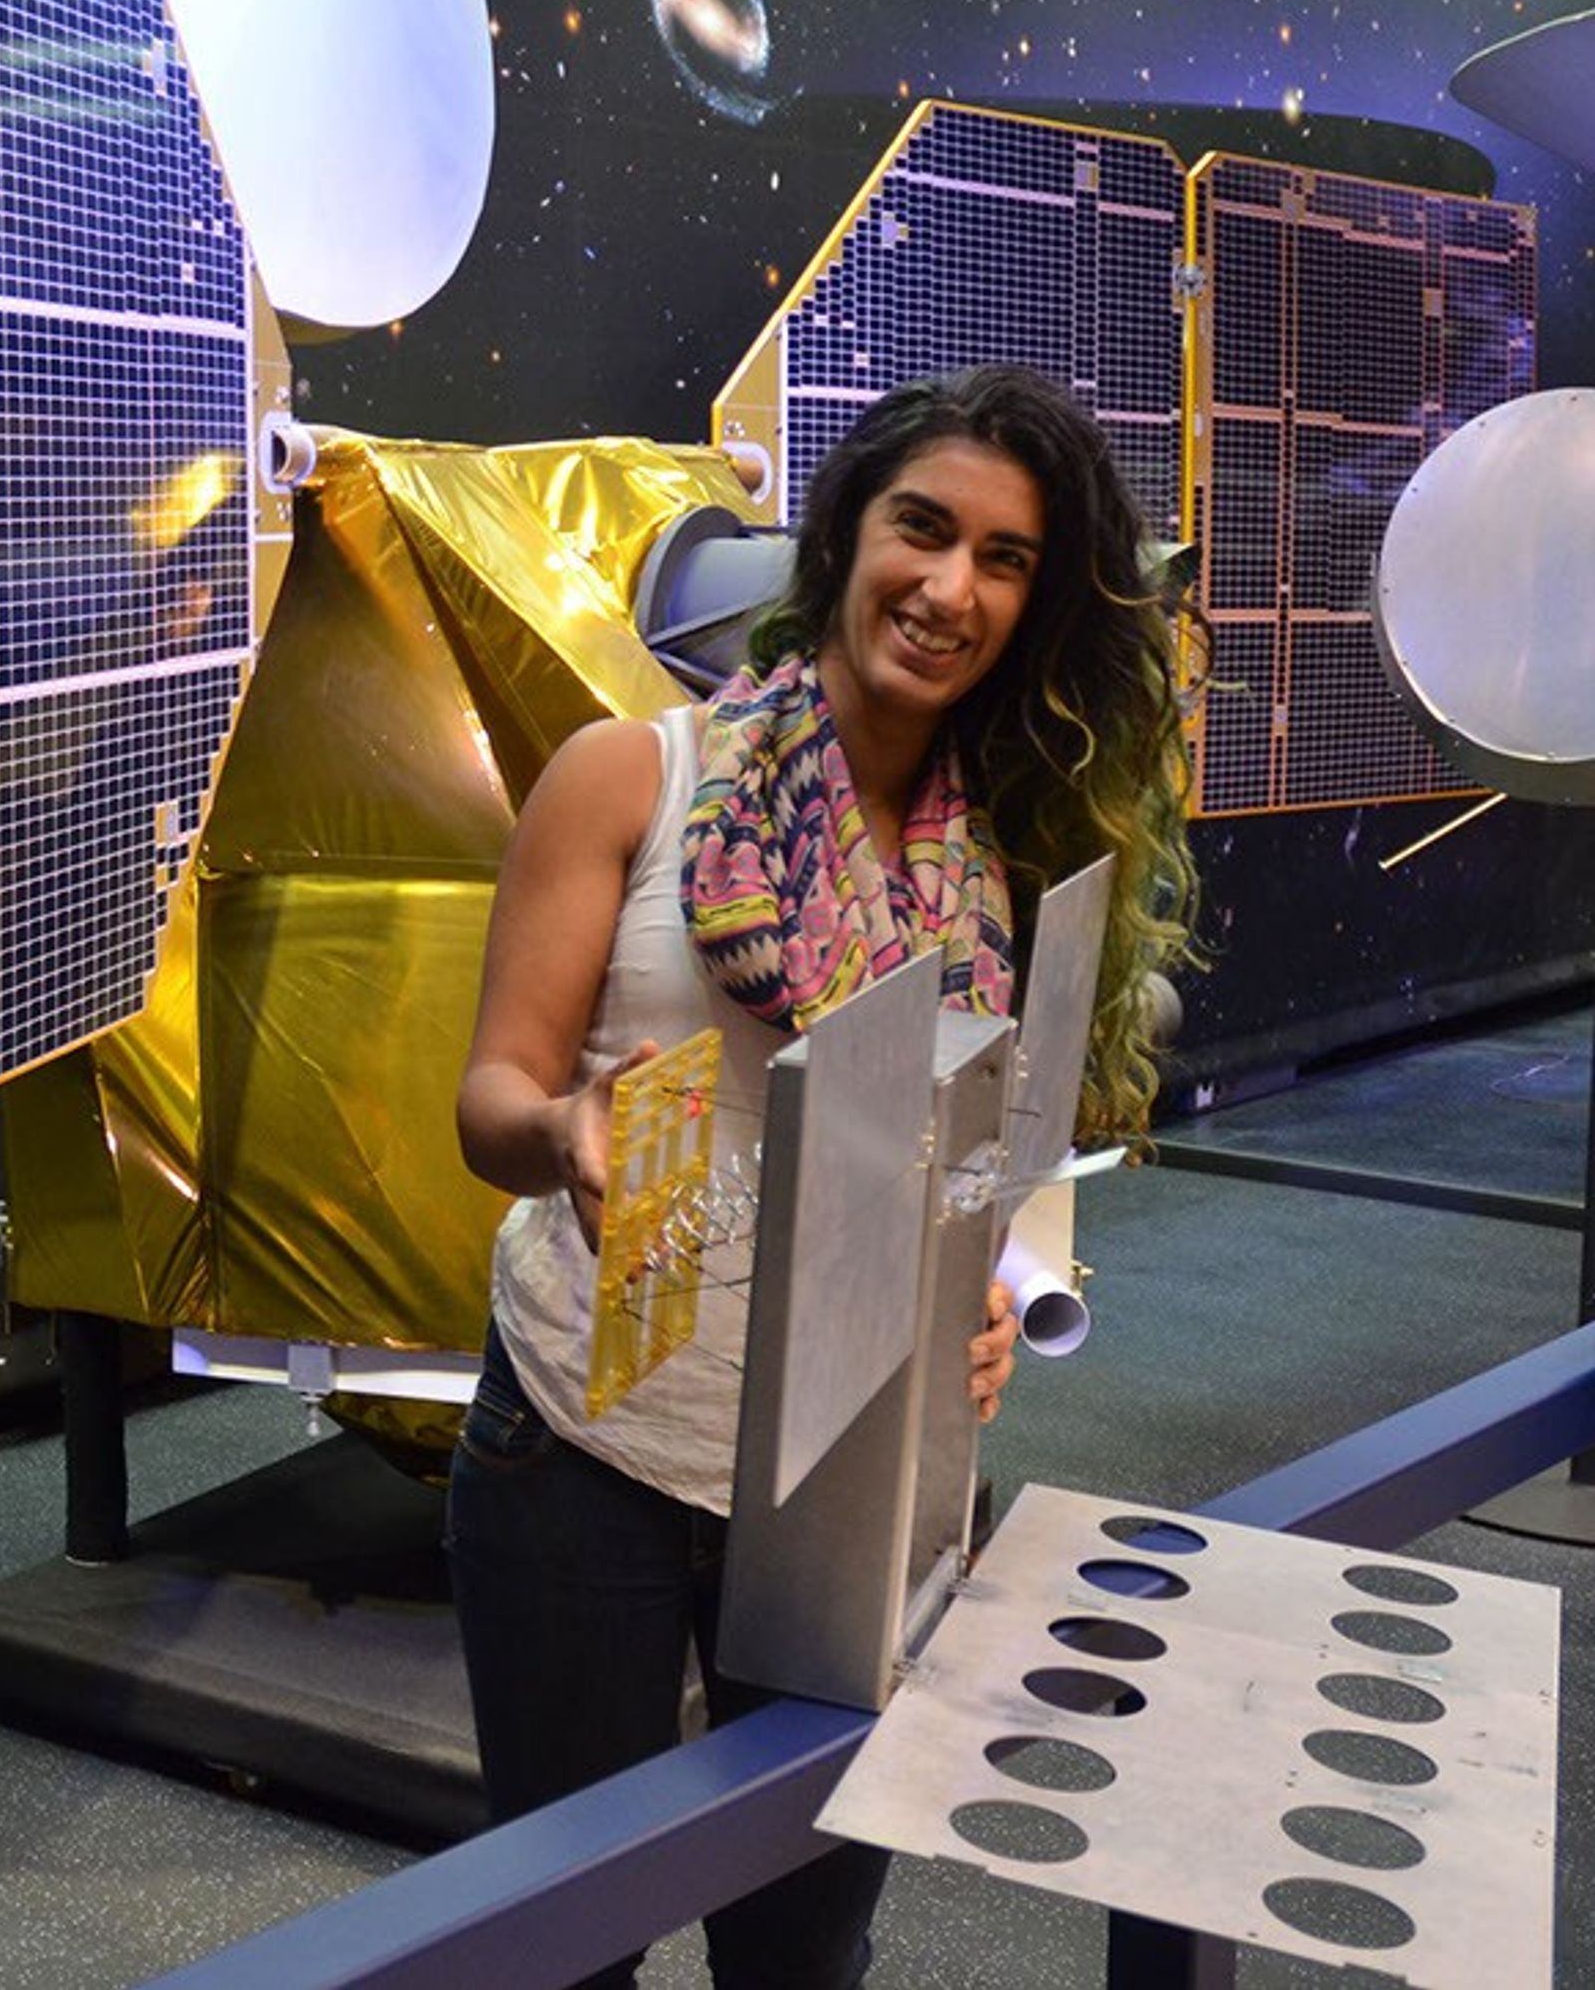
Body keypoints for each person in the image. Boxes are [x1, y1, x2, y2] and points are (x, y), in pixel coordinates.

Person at [442, 366, 1199, 1989]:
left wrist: (1004, 1290)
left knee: (804, 1949)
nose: (950, 588)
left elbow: (1008, 1140)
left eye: (1005, 559)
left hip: (864, 1466)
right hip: (590, 1441)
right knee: (562, 1940)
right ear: (844, 530)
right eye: (922, 529)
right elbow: (492, 1090)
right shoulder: (632, 775)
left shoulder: (1013, 842)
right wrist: (559, 1135)